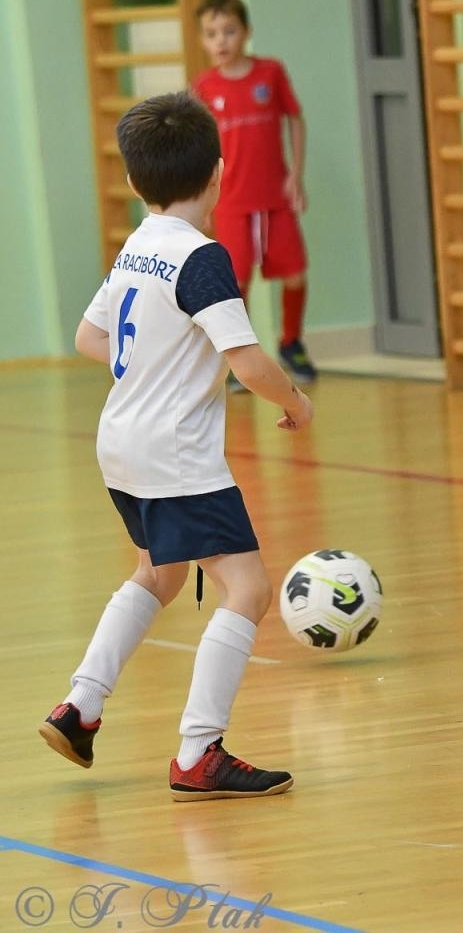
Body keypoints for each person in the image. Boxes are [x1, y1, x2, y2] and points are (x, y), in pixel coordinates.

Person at [39, 92, 313, 801]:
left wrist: (153, 369)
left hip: (121, 443)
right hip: (175, 454)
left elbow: (88, 337)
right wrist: (296, 401)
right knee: (248, 589)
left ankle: (80, 707)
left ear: (134, 183)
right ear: (220, 174)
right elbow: (249, 362)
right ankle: (199, 752)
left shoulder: (139, 245)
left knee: (158, 575)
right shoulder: (202, 260)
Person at [193, 0, 316, 385]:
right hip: (231, 203)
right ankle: (236, 361)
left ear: (246, 31)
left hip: (274, 201)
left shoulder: (271, 73)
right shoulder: (204, 88)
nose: (221, 41)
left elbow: (295, 120)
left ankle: (291, 342)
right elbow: (199, 148)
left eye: (229, 31)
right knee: (235, 284)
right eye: (211, 34)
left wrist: (295, 173)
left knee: (295, 273)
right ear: (203, 40)